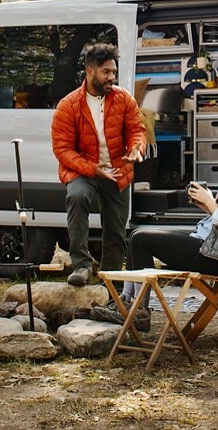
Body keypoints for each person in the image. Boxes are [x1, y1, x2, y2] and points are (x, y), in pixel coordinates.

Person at [123, 123, 218, 296]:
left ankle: (139, 312)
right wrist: (206, 204)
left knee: (140, 240)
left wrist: (210, 202)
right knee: (135, 237)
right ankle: (127, 303)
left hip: (215, 257)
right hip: (212, 248)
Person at [52, 43, 147, 287]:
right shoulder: (68, 105)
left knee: (116, 229)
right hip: (84, 170)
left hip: (117, 170)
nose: (111, 77)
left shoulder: (124, 99)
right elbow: (62, 150)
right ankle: (82, 266)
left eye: (113, 72)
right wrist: (92, 169)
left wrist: (136, 148)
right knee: (77, 196)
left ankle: (111, 280)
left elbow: (137, 130)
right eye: (106, 72)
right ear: (90, 71)